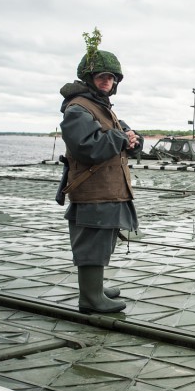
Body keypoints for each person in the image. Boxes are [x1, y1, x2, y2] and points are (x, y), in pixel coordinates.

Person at [59, 47, 143, 314]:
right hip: (93, 190)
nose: (107, 82)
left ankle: (94, 288)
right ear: (88, 78)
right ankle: (91, 298)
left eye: (111, 78)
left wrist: (133, 138)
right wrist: (121, 138)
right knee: (92, 241)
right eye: (101, 77)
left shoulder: (101, 106)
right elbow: (89, 147)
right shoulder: (78, 109)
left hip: (108, 189)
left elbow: (119, 135)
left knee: (103, 238)